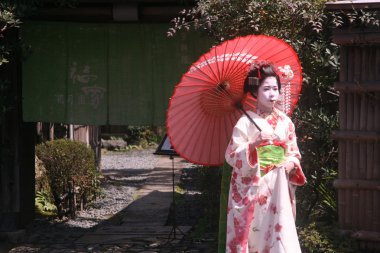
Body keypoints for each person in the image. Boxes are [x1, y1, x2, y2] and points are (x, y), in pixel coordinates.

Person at [222, 63, 306, 253]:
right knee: (256, 236)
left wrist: (289, 164)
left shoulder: (286, 122)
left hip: (279, 186)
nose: (272, 94)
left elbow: (294, 152)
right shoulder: (245, 122)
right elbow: (231, 155)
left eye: (275, 89)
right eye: (266, 89)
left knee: (280, 236)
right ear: (255, 92)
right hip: (255, 187)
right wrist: (252, 145)